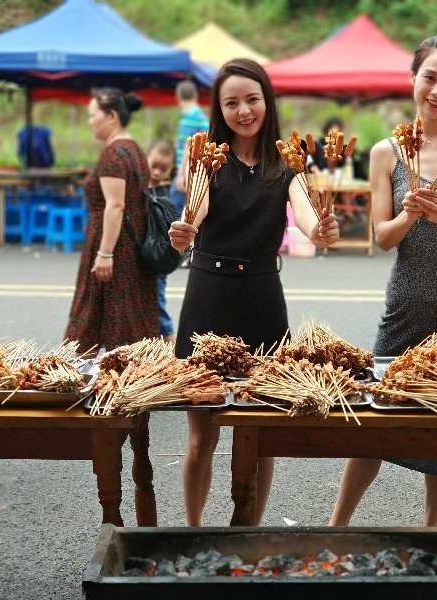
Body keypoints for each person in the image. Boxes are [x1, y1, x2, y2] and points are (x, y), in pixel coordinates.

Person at [329, 31, 437, 528]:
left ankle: (433, 530)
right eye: (430, 77)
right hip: (406, 303)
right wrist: (410, 213)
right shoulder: (387, 152)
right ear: (412, 79)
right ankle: (337, 526)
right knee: (374, 418)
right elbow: (382, 237)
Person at [168, 58, 339, 526]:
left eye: (252, 100)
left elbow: (306, 214)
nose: (243, 111)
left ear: (267, 102)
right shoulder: (206, 157)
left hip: (262, 298)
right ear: (219, 109)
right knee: (202, 435)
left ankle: (246, 532)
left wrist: (320, 230)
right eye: (232, 103)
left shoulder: (288, 162)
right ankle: (194, 531)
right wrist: (184, 229)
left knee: (261, 434)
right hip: (208, 295)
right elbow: (195, 209)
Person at [64, 89, 159, 351]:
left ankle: (80, 371)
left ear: (111, 116)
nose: (90, 121)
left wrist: (105, 253)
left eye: (92, 115)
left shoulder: (113, 154)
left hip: (113, 244)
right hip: (134, 242)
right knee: (129, 319)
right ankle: (128, 369)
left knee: (91, 318)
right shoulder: (135, 149)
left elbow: (115, 205)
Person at [146, 139, 177, 342]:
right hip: (143, 255)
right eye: (154, 166)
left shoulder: (169, 193)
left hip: (158, 258)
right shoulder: (138, 188)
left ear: (171, 169)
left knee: (157, 302)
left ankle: (170, 341)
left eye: (163, 169)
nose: (157, 172)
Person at [171, 80, 209, 218]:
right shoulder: (197, 115)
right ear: (195, 95)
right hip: (191, 171)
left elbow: (191, 147)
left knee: (174, 213)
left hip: (189, 172)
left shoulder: (192, 116)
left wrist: (181, 175)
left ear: (178, 96)